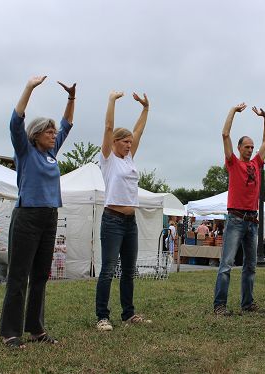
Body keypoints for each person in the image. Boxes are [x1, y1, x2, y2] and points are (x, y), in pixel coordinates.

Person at [0, 76, 76, 349]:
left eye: (54, 132)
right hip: (27, 218)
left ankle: (36, 328)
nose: (54, 135)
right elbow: (15, 121)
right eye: (49, 132)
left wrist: (71, 98)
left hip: (49, 216)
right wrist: (30, 88)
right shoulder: (25, 150)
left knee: (41, 275)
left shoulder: (51, 152)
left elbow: (67, 124)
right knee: (19, 276)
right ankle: (10, 332)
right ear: (36, 135)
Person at [95, 89, 152, 332]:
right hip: (112, 221)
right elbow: (108, 127)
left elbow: (138, 130)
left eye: (130, 142)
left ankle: (128, 314)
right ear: (115, 142)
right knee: (108, 270)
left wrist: (145, 108)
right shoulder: (108, 159)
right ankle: (102, 317)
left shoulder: (129, 159)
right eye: (125, 141)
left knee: (129, 271)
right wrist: (111, 101)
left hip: (131, 222)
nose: (129, 145)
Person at [213, 103, 265, 316]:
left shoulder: (256, 163)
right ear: (239, 148)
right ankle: (219, 305)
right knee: (227, 265)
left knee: (250, 266)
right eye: (246, 146)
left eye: (251, 147)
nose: (250, 149)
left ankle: (247, 303)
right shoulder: (233, 163)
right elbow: (225, 134)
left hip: (252, 221)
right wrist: (232, 112)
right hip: (236, 219)